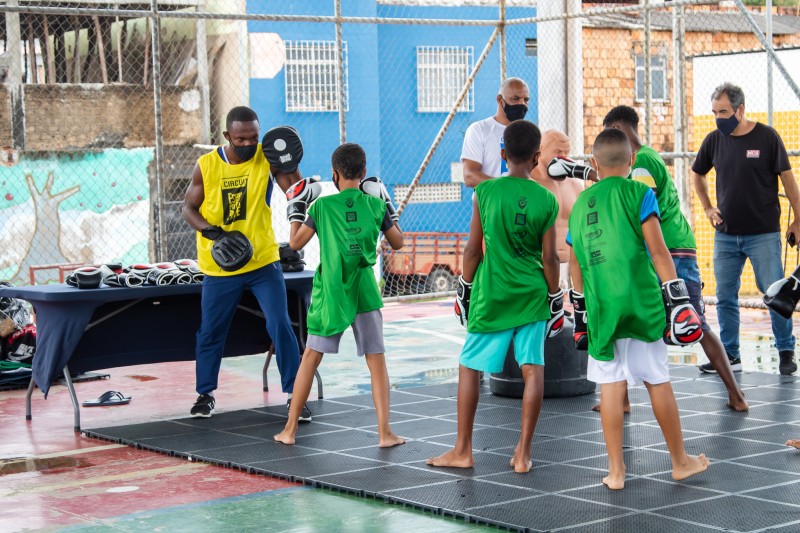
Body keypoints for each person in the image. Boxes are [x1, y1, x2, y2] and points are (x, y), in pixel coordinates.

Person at [568, 128, 709, 490]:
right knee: (657, 378)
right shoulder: (640, 192)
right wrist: (678, 299)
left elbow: (574, 265)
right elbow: (659, 251)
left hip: (601, 309)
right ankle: (680, 462)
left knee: (610, 383)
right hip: (642, 303)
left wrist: (580, 312)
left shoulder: (581, 204)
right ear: (632, 161)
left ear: (594, 165)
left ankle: (616, 472)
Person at [428, 120, 560, 473]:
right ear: (536, 158)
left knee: (469, 367)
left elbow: (472, 250)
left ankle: (462, 450)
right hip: (532, 294)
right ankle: (522, 454)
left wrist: (464, 288)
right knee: (533, 369)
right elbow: (550, 258)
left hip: (492, 294)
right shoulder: (547, 198)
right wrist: (555, 295)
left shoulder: (483, 194)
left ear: (502, 154)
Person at [600, 105, 747, 411]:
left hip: (669, 251)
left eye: (610, 134)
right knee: (636, 317)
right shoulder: (644, 159)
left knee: (692, 321)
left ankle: (736, 393)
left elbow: (634, 207)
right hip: (668, 247)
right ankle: (622, 398)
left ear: (618, 128)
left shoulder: (640, 163)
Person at [183, 106, 311, 420]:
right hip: (220, 266)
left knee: (280, 323)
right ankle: (205, 394)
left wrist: (291, 164)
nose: (248, 144)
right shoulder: (207, 165)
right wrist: (214, 233)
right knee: (211, 330)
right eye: (241, 139)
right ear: (228, 136)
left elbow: (295, 191)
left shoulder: (265, 159)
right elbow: (188, 209)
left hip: (262, 261)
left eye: (253, 137)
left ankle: (295, 395)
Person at [274, 143, 406, 447]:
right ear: (362, 173)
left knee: (310, 357)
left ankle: (290, 430)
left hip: (331, 291)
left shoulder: (321, 207)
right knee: (377, 360)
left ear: (334, 175)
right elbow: (398, 242)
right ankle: (385, 433)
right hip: (364, 289)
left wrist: (296, 206)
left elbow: (294, 243)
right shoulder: (374, 206)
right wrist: (386, 202)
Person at [692, 82, 799, 376]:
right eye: (714, 112)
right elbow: (697, 174)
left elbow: (789, 182)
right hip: (725, 236)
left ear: (740, 109)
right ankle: (730, 355)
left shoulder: (767, 137)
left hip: (762, 235)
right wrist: (707, 207)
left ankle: (786, 350)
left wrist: (798, 220)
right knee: (725, 296)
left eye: (723, 111)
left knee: (774, 293)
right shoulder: (714, 140)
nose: (718, 117)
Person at [531, 130, 588, 289]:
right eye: (558, 152)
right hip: (536, 266)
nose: (563, 157)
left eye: (567, 152)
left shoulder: (575, 185)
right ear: (540, 150)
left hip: (573, 264)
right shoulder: (529, 183)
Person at [461, 77, 530, 188]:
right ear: (499, 100)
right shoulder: (479, 130)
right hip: (491, 204)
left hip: (523, 203)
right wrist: (508, 188)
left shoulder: (530, 134)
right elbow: (469, 176)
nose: (522, 104)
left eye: (526, 100)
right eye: (515, 98)